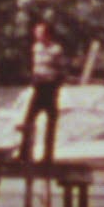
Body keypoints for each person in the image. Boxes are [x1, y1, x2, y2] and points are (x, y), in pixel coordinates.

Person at [19, 20, 67, 164]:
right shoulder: (36, 47)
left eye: (40, 32)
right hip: (38, 86)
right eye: (36, 32)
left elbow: (62, 69)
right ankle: (25, 153)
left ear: (48, 34)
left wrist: (56, 85)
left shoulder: (56, 49)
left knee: (51, 122)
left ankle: (48, 156)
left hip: (50, 87)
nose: (37, 35)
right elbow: (32, 66)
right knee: (28, 120)